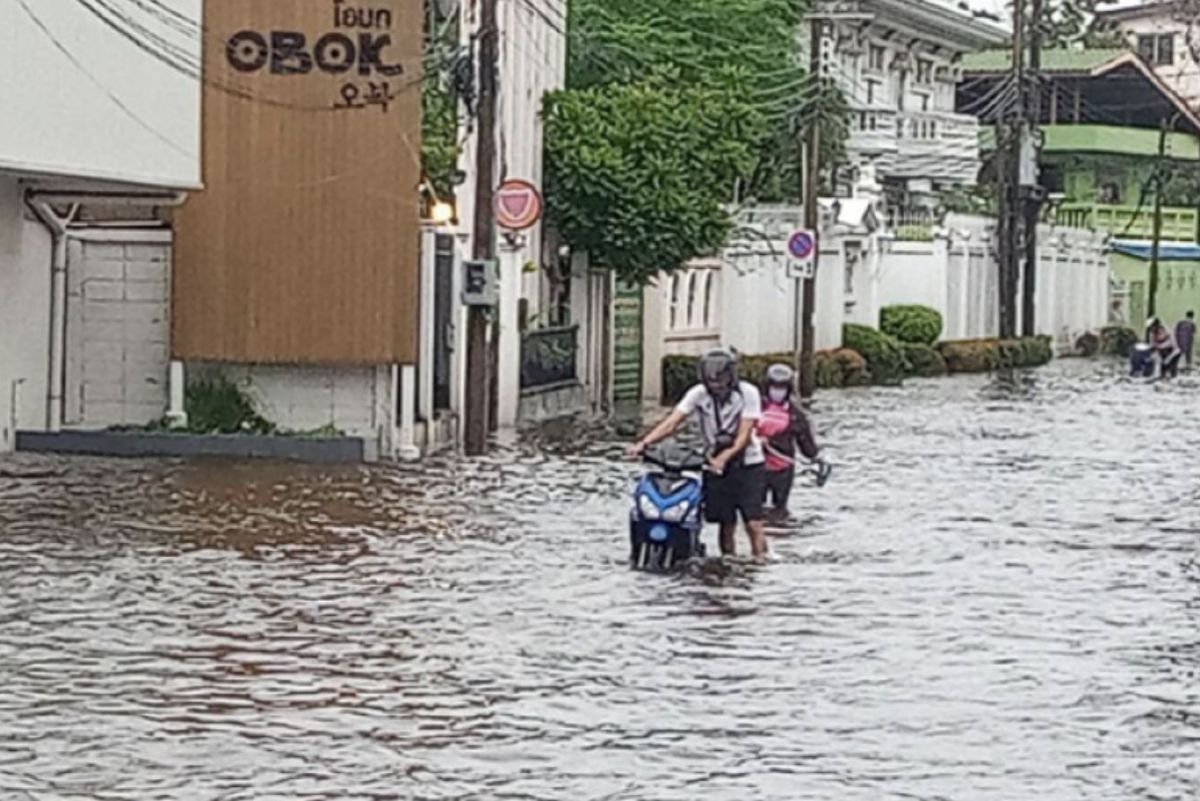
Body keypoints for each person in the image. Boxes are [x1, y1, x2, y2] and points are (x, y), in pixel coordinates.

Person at [628, 348, 769, 560]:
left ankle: (760, 561)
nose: (716, 384)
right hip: (713, 461)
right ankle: (727, 565)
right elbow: (672, 422)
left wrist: (726, 456)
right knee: (725, 522)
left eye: (720, 379)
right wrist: (643, 443)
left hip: (748, 463)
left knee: (752, 522)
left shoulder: (748, 393)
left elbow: (744, 434)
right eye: (711, 379)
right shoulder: (698, 394)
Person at [756, 363, 821, 513]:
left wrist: (814, 456)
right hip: (756, 466)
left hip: (783, 468)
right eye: (774, 386)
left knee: (780, 508)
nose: (777, 391)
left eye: (782, 387)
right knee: (755, 509)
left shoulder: (796, 414)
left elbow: (806, 444)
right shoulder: (754, 407)